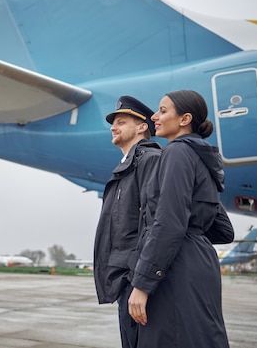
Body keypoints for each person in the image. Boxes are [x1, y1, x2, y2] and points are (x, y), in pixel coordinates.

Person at [128, 90, 234, 347]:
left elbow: (169, 222)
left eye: (163, 111)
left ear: (185, 118)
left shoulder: (176, 153)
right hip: (200, 265)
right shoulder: (203, 157)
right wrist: (194, 231)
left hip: (175, 269)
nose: (155, 116)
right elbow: (223, 230)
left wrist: (142, 284)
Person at [94, 95, 161, 348]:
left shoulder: (149, 161)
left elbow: (155, 226)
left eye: (121, 121)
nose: (113, 127)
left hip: (137, 281)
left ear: (142, 127)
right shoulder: (127, 166)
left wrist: (141, 284)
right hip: (126, 280)